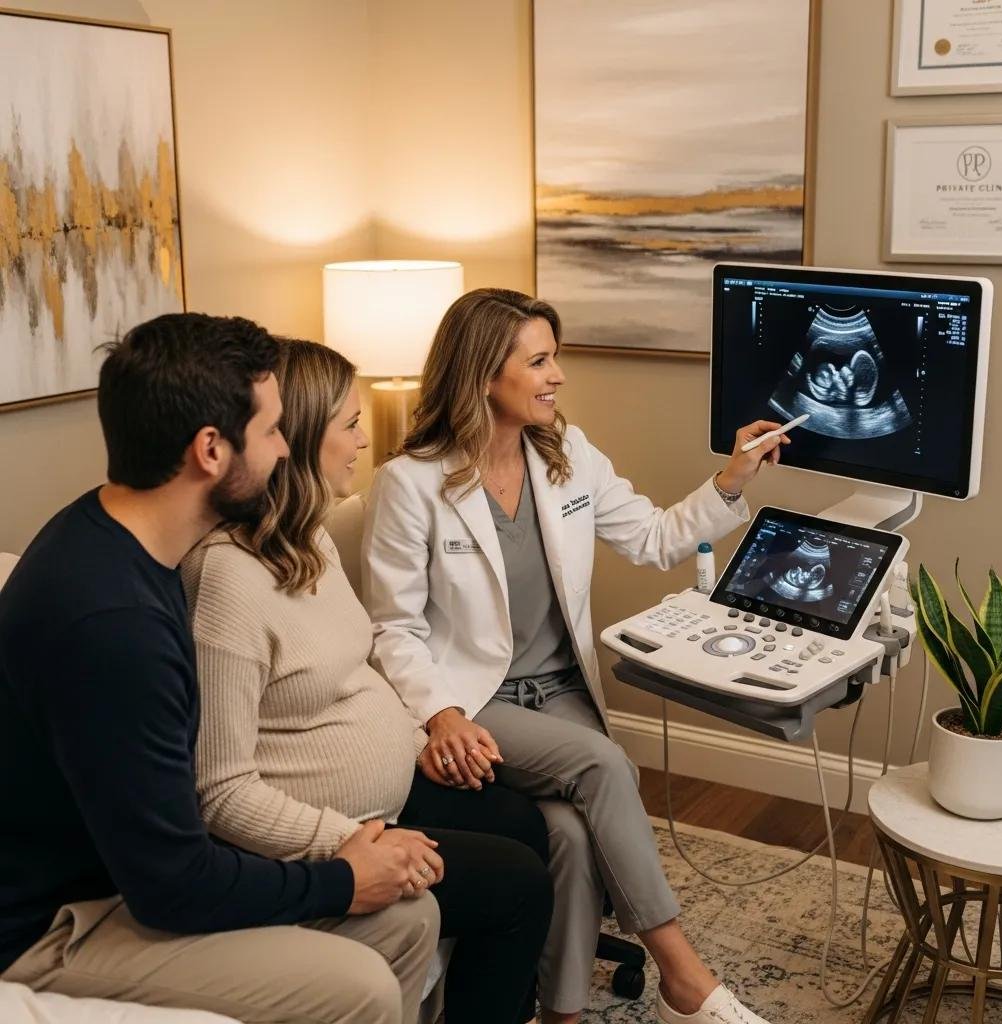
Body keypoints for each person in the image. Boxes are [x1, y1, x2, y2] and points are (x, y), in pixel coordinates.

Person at [362, 289, 789, 1024]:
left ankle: (559, 1015)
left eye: (553, 356)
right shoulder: (412, 484)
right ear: (483, 375)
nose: (556, 375)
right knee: (603, 766)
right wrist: (441, 715)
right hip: (479, 699)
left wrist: (732, 478)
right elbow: (391, 628)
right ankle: (681, 972)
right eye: (538, 361)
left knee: (568, 832)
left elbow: (654, 538)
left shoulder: (569, 456)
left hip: (560, 692)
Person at [0, 314, 440, 1024]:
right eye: (271, 431)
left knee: (409, 918)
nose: (283, 449)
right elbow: (171, 885)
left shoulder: (119, 539)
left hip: (122, 876)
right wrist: (341, 879)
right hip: (55, 922)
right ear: (211, 449)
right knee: (360, 986)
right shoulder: (112, 626)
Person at [180, 338, 553, 1024]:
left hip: (389, 789)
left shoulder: (308, 535)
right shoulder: (228, 582)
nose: (364, 440)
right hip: (326, 830)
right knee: (518, 885)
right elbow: (220, 792)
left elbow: (357, 666)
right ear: (293, 439)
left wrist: (420, 736)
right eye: (349, 425)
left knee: (520, 819)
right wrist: (351, 845)